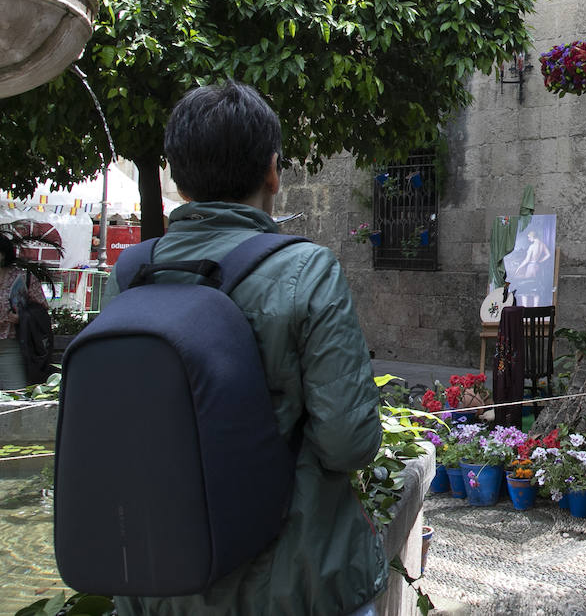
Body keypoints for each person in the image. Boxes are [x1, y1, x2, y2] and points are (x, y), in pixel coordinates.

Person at [116, 81, 385, 616]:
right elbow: (348, 443)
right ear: (273, 171)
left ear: (176, 175)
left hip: (162, 583)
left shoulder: (131, 277)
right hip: (296, 587)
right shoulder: (307, 271)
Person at [0, 224, 53, 389]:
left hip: (11, 344)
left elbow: (42, 311)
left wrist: (22, 317)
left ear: (2, 255)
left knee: (15, 394)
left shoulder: (23, 277)